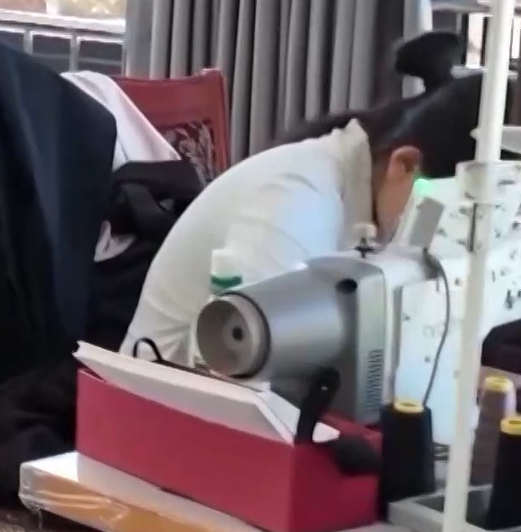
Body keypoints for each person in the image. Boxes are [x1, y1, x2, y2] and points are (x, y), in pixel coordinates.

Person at [123, 70, 496, 367]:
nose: (449, 238)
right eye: (452, 219)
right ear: (405, 165)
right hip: (162, 410)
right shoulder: (295, 200)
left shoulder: (361, 190)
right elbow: (253, 371)